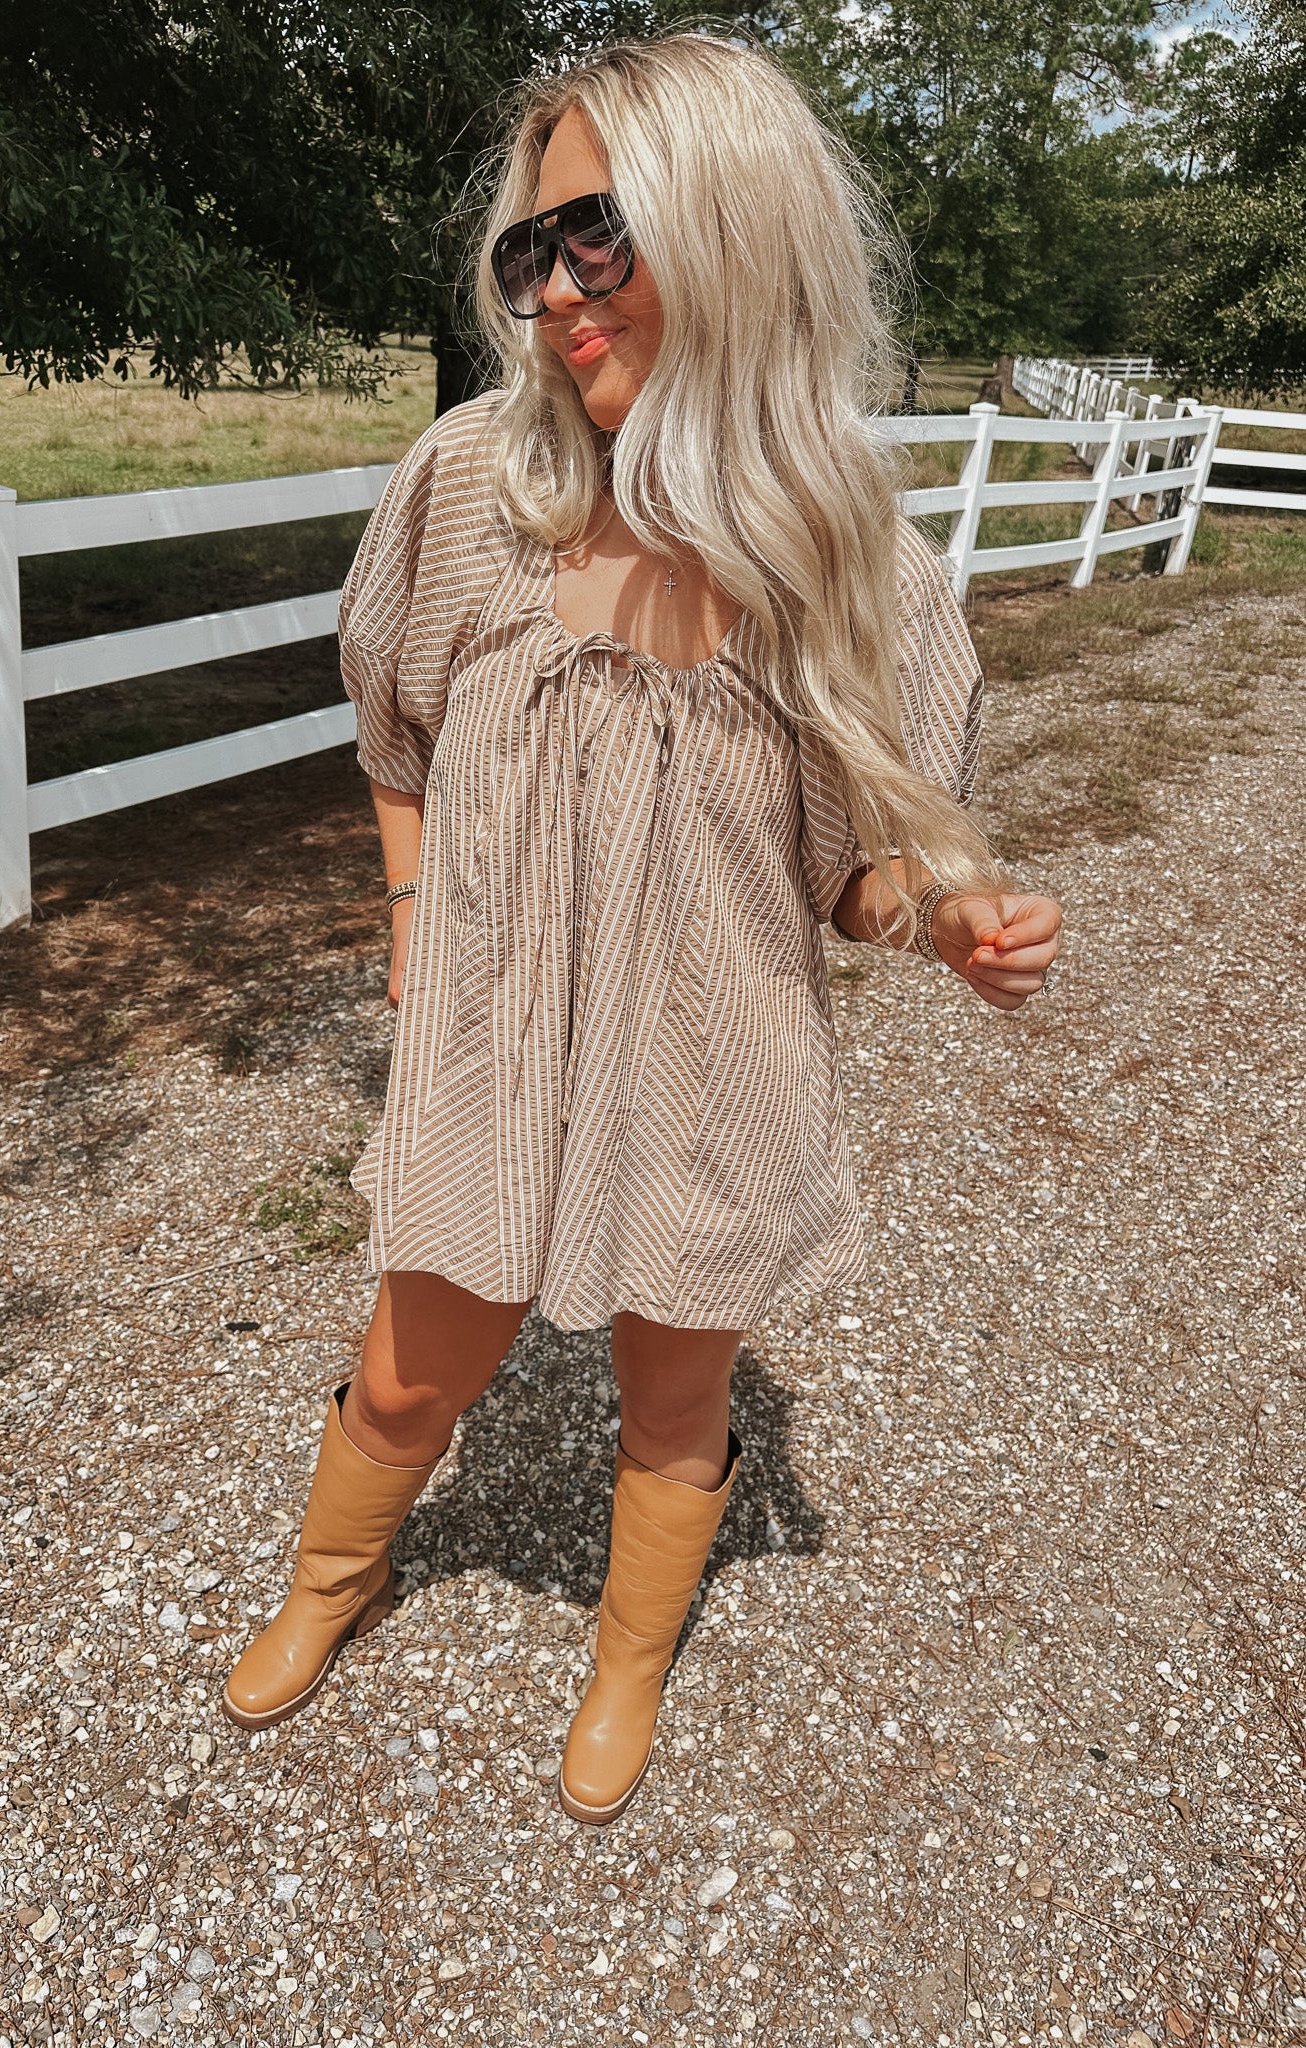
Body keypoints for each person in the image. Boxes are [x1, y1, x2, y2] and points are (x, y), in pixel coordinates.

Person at [222, 34, 1062, 1826]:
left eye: (596, 236)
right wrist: (407, 910)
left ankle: (627, 1658)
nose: (555, 294)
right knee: (411, 1369)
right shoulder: (471, 489)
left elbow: (855, 876)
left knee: (675, 1401)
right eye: (531, 251)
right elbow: (392, 729)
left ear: (737, 232)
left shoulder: (851, 571)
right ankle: (328, 1581)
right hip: (495, 1042)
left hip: (708, 1063)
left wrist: (949, 919)